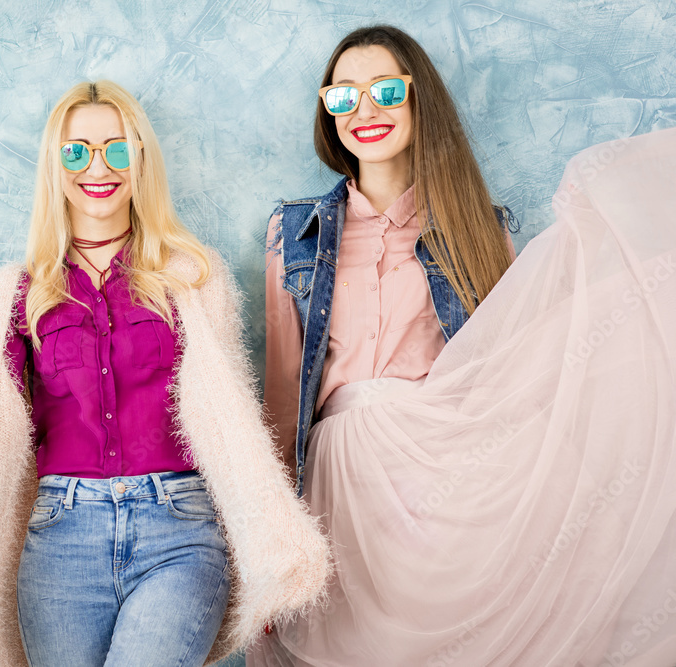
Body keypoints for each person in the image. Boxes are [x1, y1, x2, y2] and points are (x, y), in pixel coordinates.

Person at [0, 80, 330, 667]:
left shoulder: (193, 277)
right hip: (61, 541)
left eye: (117, 148)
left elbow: (235, 428)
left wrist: (270, 540)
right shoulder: (15, 293)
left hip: (179, 535)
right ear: (55, 167)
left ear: (140, 159)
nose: (97, 167)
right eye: (76, 151)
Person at [255, 24, 676, 666]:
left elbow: (514, 365)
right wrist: (270, 539)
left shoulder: (478, 225)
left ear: (420, 100)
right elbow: (284, 396)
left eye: (386, 90)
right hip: (341, 489)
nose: (363, 110)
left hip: (447, 474)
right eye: (342, 97)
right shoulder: (294, 233)